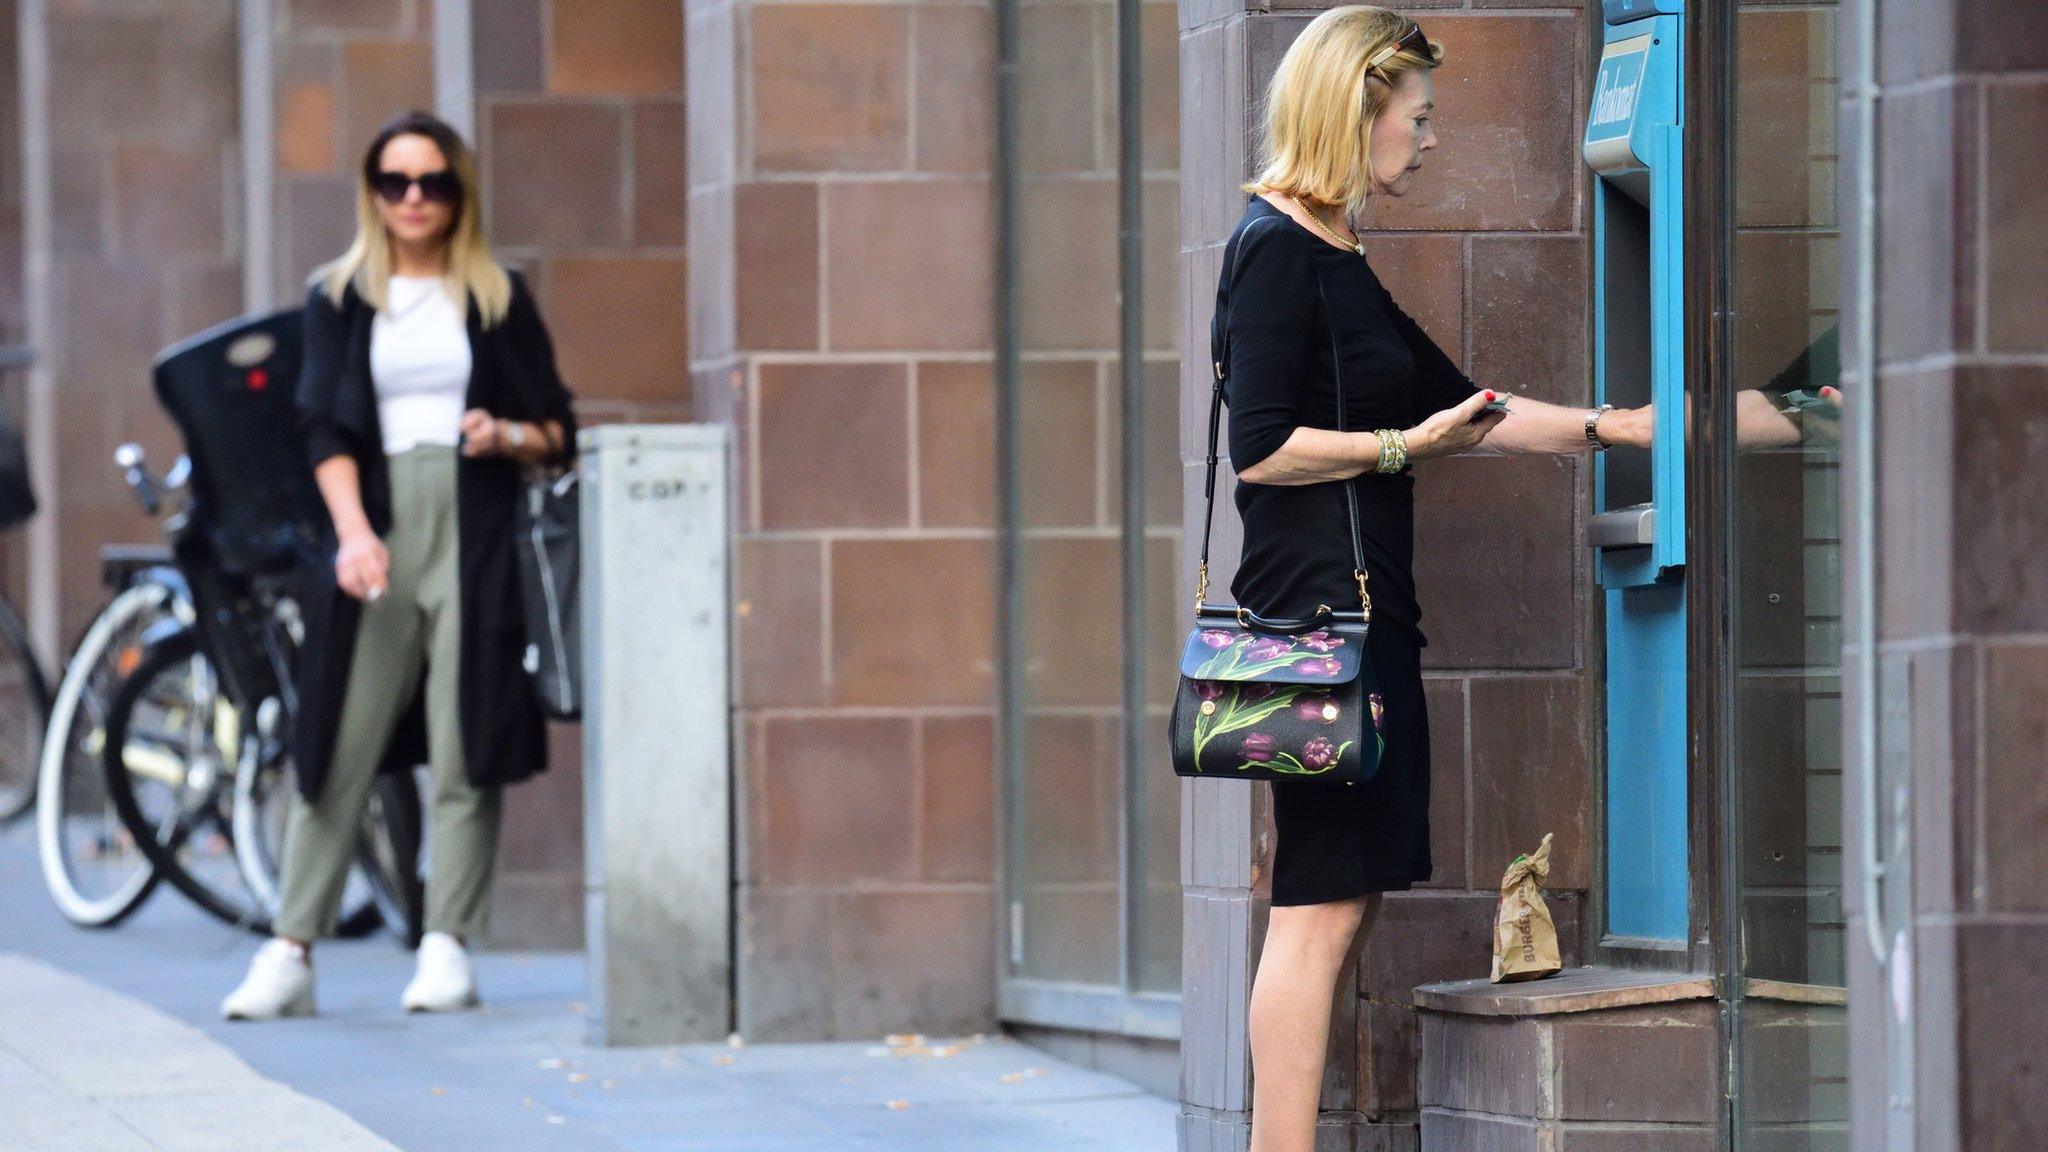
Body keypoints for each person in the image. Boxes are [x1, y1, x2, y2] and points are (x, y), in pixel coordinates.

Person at [1214, 10, 1663, 1149]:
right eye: (1415, 119)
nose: (1425, 141)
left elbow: (1470, 409)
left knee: (1337, 903)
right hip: (1322, 622)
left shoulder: (1334, 258)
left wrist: (1624, 426)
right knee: (1314, 911)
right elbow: (1260, 447)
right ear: (1353, 109)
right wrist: (1400, 449)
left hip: (1362, 618)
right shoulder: (1273, 249)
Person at [222, 110, 576, 1021]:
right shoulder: (339, 297)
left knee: (468, 734)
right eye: (396, 182)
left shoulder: (497, 297)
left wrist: (508, 433)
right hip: (373, 533)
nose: (414, 200)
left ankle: (447, 941)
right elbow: (322, 427)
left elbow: (560, 430)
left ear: (460, 194)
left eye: (433, 183)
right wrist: (350, 533)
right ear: (372, 194)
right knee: (337, 736)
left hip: (476, 524)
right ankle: (291, 947)